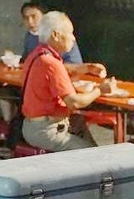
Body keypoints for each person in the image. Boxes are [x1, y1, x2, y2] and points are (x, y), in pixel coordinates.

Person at [21, 11, 106, 152]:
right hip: (46, 131)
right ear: (55, 35)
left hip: (31, 126)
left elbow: (63, 69)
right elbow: (75, 102)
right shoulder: (51, 63)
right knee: (92, 155)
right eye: (70, 33)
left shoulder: (37, 55)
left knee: (78, 122)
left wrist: (88, 67)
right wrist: (100, 90)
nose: (73, 38)